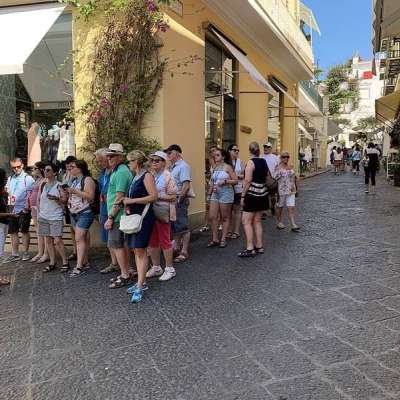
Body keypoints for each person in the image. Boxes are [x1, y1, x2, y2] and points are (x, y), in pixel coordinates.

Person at [124, 150, 157, 303]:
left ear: (136, 162)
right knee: (137, 250)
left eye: (130, 161)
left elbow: (153, 196)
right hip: (135, 217)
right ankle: (140, 282)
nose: (128, 164)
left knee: (141, 250)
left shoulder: (147, 175)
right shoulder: (136, 176)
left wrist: (132, 201)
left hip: (143, 217)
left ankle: (140, 285)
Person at [104, 144, 133, 289]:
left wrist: (110, 217)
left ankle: (125, 275)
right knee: (121, 246)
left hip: (117, 216)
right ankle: (126, 272)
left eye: (113, 155)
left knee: (117, 246)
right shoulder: (118, 170)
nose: (109, 158)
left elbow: (120, 197)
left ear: (121, 156)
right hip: (117, 215)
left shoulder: (121, 172)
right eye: (108, 155)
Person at [146, 151, 178, 282]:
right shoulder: (151, 174)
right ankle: (156, 267)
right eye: (152, 160)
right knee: (152, 240)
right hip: (151, 210)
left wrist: (157, 196)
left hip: (162, 210)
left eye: (157, 160)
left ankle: (170, 268)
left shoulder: (167, 175)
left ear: (164, 162)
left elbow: (174, 195)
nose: (154, 162)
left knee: (165, 240)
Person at [238, 142, 269, 257]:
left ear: (250, 151)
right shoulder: (263, 161)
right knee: (257, 221)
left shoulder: (251, 162)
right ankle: (259, 246)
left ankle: (250, 248)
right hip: (262, 195)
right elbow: (265, 176)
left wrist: (242, 196)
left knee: (246, 221)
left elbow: (248, 180)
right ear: (259, 150)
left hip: (252, 195)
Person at [66, 159, 96, 277]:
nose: (70, 169)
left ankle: (79, 266)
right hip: (74, 212)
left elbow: (90, 196)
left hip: (85, 212)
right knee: (80, 238)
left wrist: (75, 191)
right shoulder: (73, 180)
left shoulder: (87, 179)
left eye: (72, 167)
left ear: (80, 168)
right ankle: (84, 261)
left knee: (79, 238)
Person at [37, 163, 69, 272]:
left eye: (48, 170)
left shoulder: (59, 185)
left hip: (55, 216)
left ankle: (65, 262)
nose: (45, 172)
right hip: (44, 216)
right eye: (44, 170)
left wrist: (56, 198)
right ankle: (52, 262)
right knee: (48, 240)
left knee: (57, 240)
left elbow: (65, 200)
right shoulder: (43, 184)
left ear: (54, 172)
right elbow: (40, 200)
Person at [3, 158, 35, 263]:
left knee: (24, 231)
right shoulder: (11, 178)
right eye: (14, 167)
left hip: (23, 209)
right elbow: (7, 191)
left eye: (18, 166)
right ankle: (15, 253)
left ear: (22, 165)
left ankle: (25, 253)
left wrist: (27, 207)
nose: (16, 169)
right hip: (12, 209)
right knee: (13, 232)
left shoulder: (28, 178)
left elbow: (31, 195)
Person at [165, 144, 192, 263]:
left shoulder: (183, 166)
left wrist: (179, 201)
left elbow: (186, 185)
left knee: (182, 225)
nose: (167, 155)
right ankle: (176, 247)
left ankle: (184, 251)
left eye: (170, 152)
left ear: (177, 153)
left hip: (179, 199)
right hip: (172, 199)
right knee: (175, 226)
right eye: (167, 153)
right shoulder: (172, 167)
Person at [207, 148, 237, 248]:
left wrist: (225, 182)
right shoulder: (215, 167)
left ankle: (223, 239)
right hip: (215, 193)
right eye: (214, 155)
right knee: (212, 216)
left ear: (223, 157)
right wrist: (209, 194)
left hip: (226, 192)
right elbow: (212, 182)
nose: (215, 157)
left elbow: (235, 180)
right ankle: (215, 239)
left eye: (218, 155)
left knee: (225, 217)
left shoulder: (227, 167)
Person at [95, 148, 119, 274]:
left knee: (116, 238)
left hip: (114, 207)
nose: (99, 163)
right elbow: (100, 194)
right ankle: (114, 263)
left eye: (101, 161)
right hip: (104, 207)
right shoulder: (103, 173)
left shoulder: (117, 172)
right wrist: (100, 211)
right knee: (108, 238)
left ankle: (120, 264)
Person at [28, 162, 48, 263]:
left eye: (35, 168)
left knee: (43, 231)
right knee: (38, 231)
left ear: (40, 169)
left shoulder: (45, 180)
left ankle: (45, 253)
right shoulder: (37, 180)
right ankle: (40, 252)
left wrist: (40, 208)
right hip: (34, 207)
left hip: (40, 208)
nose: (33, 170)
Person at [275, 152, 299, 231]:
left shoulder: (291, 166)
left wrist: (297, 188)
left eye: (287, 157)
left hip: (291, 190)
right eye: (284, 157)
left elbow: (294, 177)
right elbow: (275, 178)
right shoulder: (278, 167)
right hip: (282, 191)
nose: (286, 158)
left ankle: (293, 224)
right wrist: (283, 170)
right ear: (281, 158)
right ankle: (279, 222)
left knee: (291, 207)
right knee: (280, 207)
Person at [227, 144, 244, 239]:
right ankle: (228, 230)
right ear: (229, 151)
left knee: (237, 210)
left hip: (237, 189)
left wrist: (235, 177)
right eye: (234, 150)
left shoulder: (240, 162)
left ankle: (236, 231)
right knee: (228, 211)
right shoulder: (225, 162)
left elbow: (244, 175)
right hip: (228, 189)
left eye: (238, 150)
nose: (237, 151)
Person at [63, 156, 78, 261]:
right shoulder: (65, 175)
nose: (69, 167)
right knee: (71, 229)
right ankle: (75, 251)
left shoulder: (76, 175)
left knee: (79, 230)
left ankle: (82, 251)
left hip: (77, 205)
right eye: (67, 165)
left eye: (71, 165)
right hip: (68, 205)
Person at [262, 142, 279, 216]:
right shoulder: (261, 157)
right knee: (263, 195)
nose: (266, 148)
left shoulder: (275, 157)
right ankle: (264, 211)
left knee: (272, 197)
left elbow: (278, 168)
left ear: (270, 148)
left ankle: (272, 206)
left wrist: (276, 177)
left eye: (268, 147)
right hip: (263, 180)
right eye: (265, 146)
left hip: (272, 180)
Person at [0, 168, 10, 285]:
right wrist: (9, 214)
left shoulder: (3, 192)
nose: (7, 178)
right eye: (4, 177)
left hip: (3, 225)